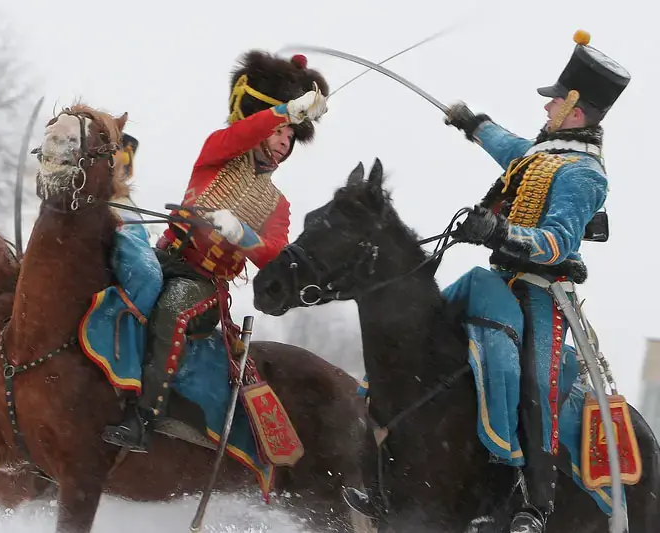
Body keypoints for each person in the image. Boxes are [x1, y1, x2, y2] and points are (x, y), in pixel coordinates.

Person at [343, 30, 630, 533]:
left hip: (541, 295)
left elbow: (557, 244)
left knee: (536, 386)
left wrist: (499, 229)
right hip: (496, 283)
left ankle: (534, 504)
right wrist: (472, 122)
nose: (546, 110)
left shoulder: (586, 174)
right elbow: (507, 145)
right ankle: (386, 474)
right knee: (418, 333)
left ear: (575, 108)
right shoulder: (541, 155)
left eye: (554, 103)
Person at [102, 50, 329, 452]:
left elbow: (273, 254)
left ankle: (144, 418)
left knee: (173, 307)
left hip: (203, 285)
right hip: (163, 258)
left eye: (290, 138)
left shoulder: (278, 205)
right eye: (279, 133)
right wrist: (287, 110)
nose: (283, 142)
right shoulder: (218, 153)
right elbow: (241, 133)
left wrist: (242, 234)